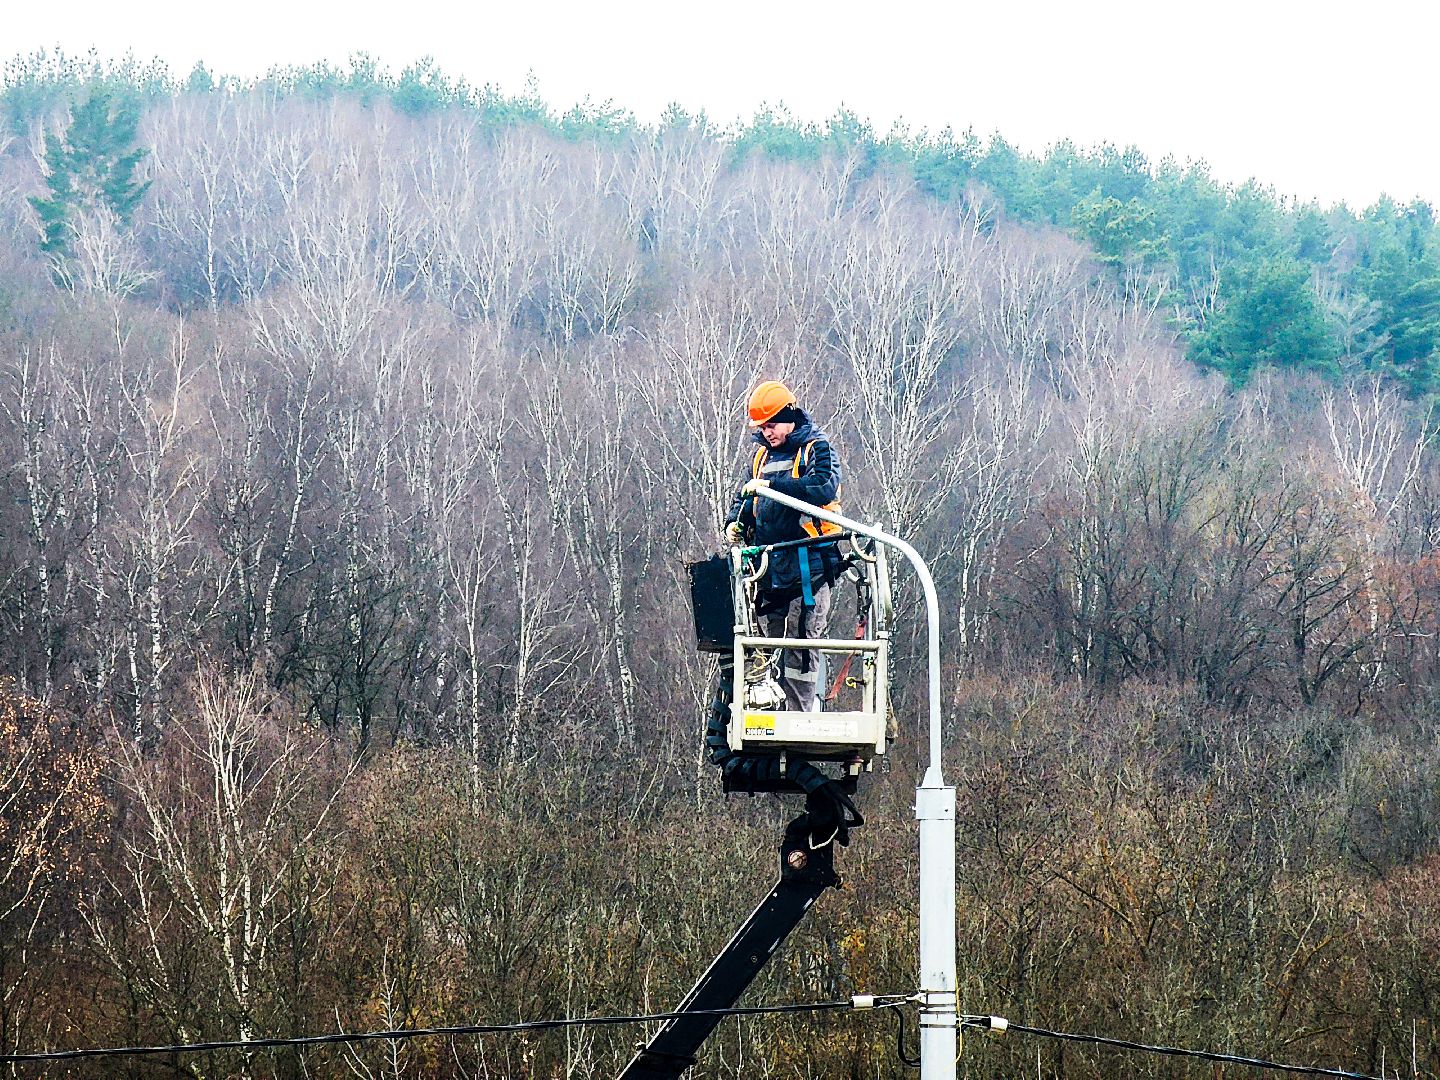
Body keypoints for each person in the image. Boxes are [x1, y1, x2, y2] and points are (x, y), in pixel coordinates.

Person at [724, 380, 843, 713]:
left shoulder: (816, 448)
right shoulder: (760, 456)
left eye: (771, 424)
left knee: (802, 642)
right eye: (762, 427)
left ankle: (801, 714)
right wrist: (736, 523)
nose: (767, 432)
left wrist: (774, 486)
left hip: (811, 563)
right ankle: (771, 710)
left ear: (790, 417)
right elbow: (746, 496)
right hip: (770, 567)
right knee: (768, 642)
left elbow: (822, 486)